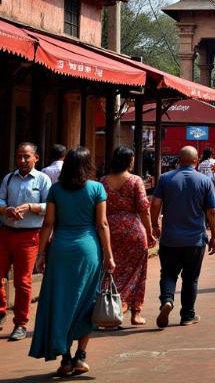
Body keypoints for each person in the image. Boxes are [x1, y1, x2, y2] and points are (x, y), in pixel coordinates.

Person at [29, 146, 113, 375]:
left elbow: (48, 224)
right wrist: (109, 255)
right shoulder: (97, 188)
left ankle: (65, 358)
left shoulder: (56, 190)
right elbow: (102, 224)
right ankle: (80, 356)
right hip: (88, 250)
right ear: (89, 166)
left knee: (61, 302)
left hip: (60, 250)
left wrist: (40, 254)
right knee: (87, 301)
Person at [150, 146, 215, 328]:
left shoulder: (165, 178)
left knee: (168, 273)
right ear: (196, 161)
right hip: (195, 239)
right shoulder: (204, 180)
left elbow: (155, 203)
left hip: (170, 238)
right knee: (191, 278)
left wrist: (155, 224)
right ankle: (187, 315)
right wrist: (214, 236)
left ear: (178, 160)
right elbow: (211, 211)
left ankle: (167, 300)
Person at [0, 142, 52, 341]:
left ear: (35, 158)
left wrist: (31, 206)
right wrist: (6, 209)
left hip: (30, 236)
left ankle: (21, 323)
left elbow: (50, 205)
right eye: (19, 156)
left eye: (26, 157)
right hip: (6, 233)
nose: (22, 160)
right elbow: (1, 199)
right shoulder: (9, 178)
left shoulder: (43, 179)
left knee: (23, 281)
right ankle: (1, 312)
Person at [101, 146, 155, 326]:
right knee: (138, 271)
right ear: (129, 160)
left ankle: (112, 307)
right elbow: (143, 208)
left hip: (109, 230)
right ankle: (134, 312)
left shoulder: (102, 181)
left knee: (110, 271)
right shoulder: (135, 180)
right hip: (133, 229)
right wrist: (150, 231)